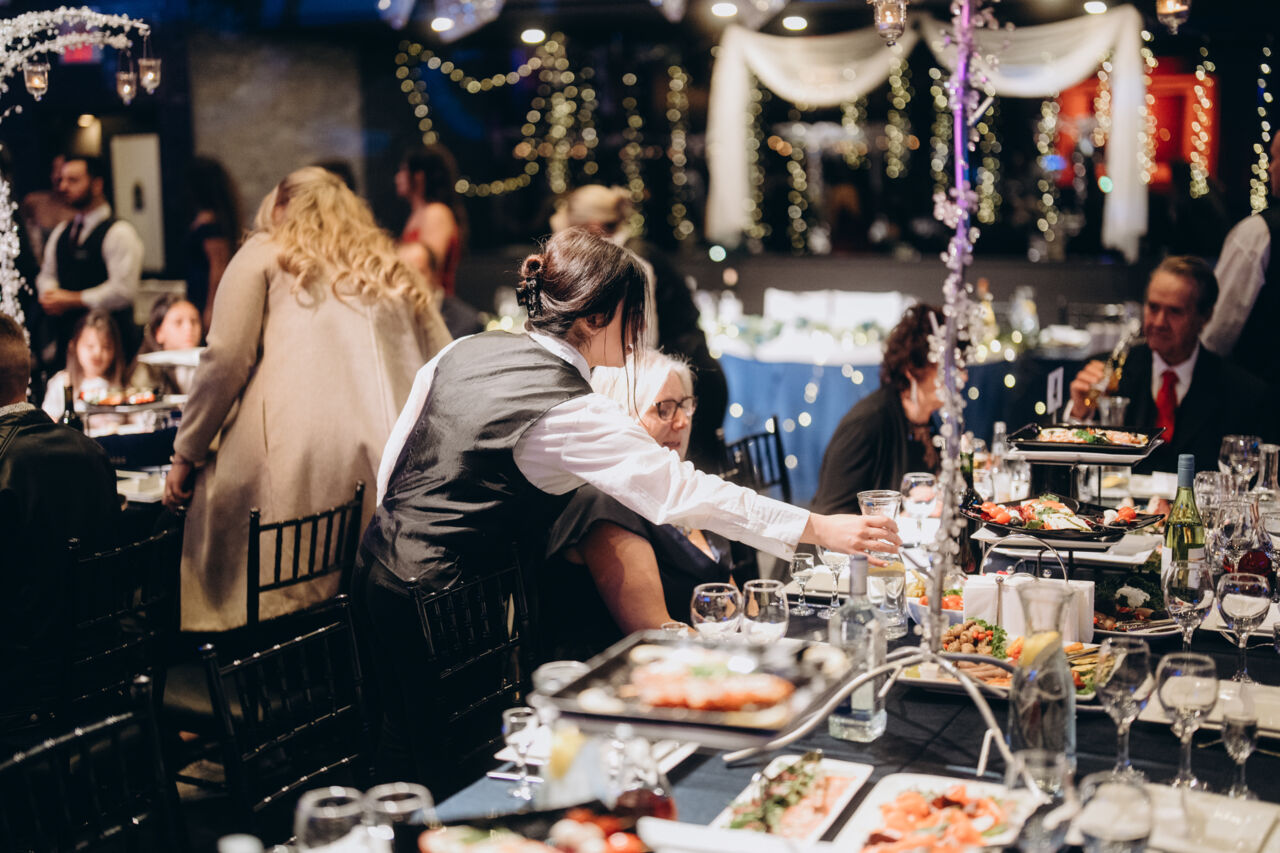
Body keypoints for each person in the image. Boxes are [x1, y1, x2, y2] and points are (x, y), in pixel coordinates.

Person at [355, 228, 899, 788]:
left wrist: (393, 536)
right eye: (633, 312)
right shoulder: (572, 409)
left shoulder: (466, 349)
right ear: (595, 317)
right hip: (447, 597)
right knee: (452, 763)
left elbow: (399, 456)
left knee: (400, 746)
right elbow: (681, 490)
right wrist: (818, 527)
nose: (640, 327)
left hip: (379, 570)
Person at [162, 167, 451, 631]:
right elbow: (445, 363)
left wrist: (186, 452)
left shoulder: (265, 252)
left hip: (299, 478)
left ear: (279, 205)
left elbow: (225, 360)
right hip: (395, 471)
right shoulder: (391, 266)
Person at [542, 349, 731, 660]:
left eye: (685, 405)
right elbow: (656, 631)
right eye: (664, 409)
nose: (682, 421)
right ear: (620, 417)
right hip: (620, 676)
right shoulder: (603, 503)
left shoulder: (679, 489)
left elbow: (731, 601)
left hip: (698, 660)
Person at [550, 184, 730, 472]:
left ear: (593, 228)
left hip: (688, 385)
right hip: (683, 381)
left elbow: (640, 343)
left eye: (574, 237)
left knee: (684, 480)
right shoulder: (630, 255)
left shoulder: (633, 262)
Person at [1068, 256, 1272, 473]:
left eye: (1175, 311)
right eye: (1153, 307)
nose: (1159, 322)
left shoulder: (1243, 393)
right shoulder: (1109, 372)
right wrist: (1079, 412)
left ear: (1205, 317)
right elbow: (1072, 466)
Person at [811, 304, 943, 516]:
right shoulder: (868, 423)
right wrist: (904, 515)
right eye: (947, 368)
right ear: (912, 369)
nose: (962, 377)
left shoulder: (927, 419)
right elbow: (830, 513)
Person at [35, 155, 144, 367]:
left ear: (97, 185)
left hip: (110, 345)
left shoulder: (119, 232)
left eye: (73, 180)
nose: (63, 187)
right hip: (68, 341)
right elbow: (47, 274)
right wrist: (50, 294)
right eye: (62, 180)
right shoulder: (62, 231)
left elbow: (123, 291)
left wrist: (73, 299)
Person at [1202, 132, 1280, 385]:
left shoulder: (1259, 233)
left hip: (1260, 393)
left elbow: (1217, 331)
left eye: (1276, 157)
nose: (1270, 167)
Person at [40, 309, 127, 433]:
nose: (97, 353)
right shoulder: (61, 382)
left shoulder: (121, 384)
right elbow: (48, 420)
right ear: (74, 346)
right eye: (90, 346)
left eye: (106, 347)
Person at [394, 145, 465, 297]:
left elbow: (427, 269)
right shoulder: (418, 213)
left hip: (434, 303)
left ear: (419, 176)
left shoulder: (436, 212)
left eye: (403, 170)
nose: (397, 177)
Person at [184, 157, 239, 326]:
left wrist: (211, 307)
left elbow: (218, 266)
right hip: (200, 292)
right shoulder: (211, 219)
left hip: (207, 296)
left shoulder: (211, 224)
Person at [128, 294, 203, 395]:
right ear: (158, 332)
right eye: (178, 322)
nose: (189, 328)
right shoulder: (147, 371)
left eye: (194, 321)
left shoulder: (207, 365)